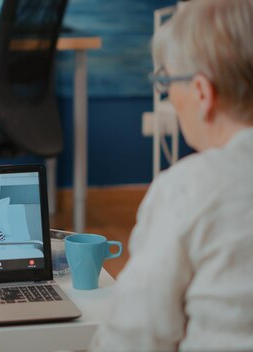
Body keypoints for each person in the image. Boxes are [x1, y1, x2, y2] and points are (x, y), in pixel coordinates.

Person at [91, 0, 253, 350]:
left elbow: (134, 340)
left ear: (201, 92)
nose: (167, 92)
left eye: (167, 80)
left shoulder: (189, 187)